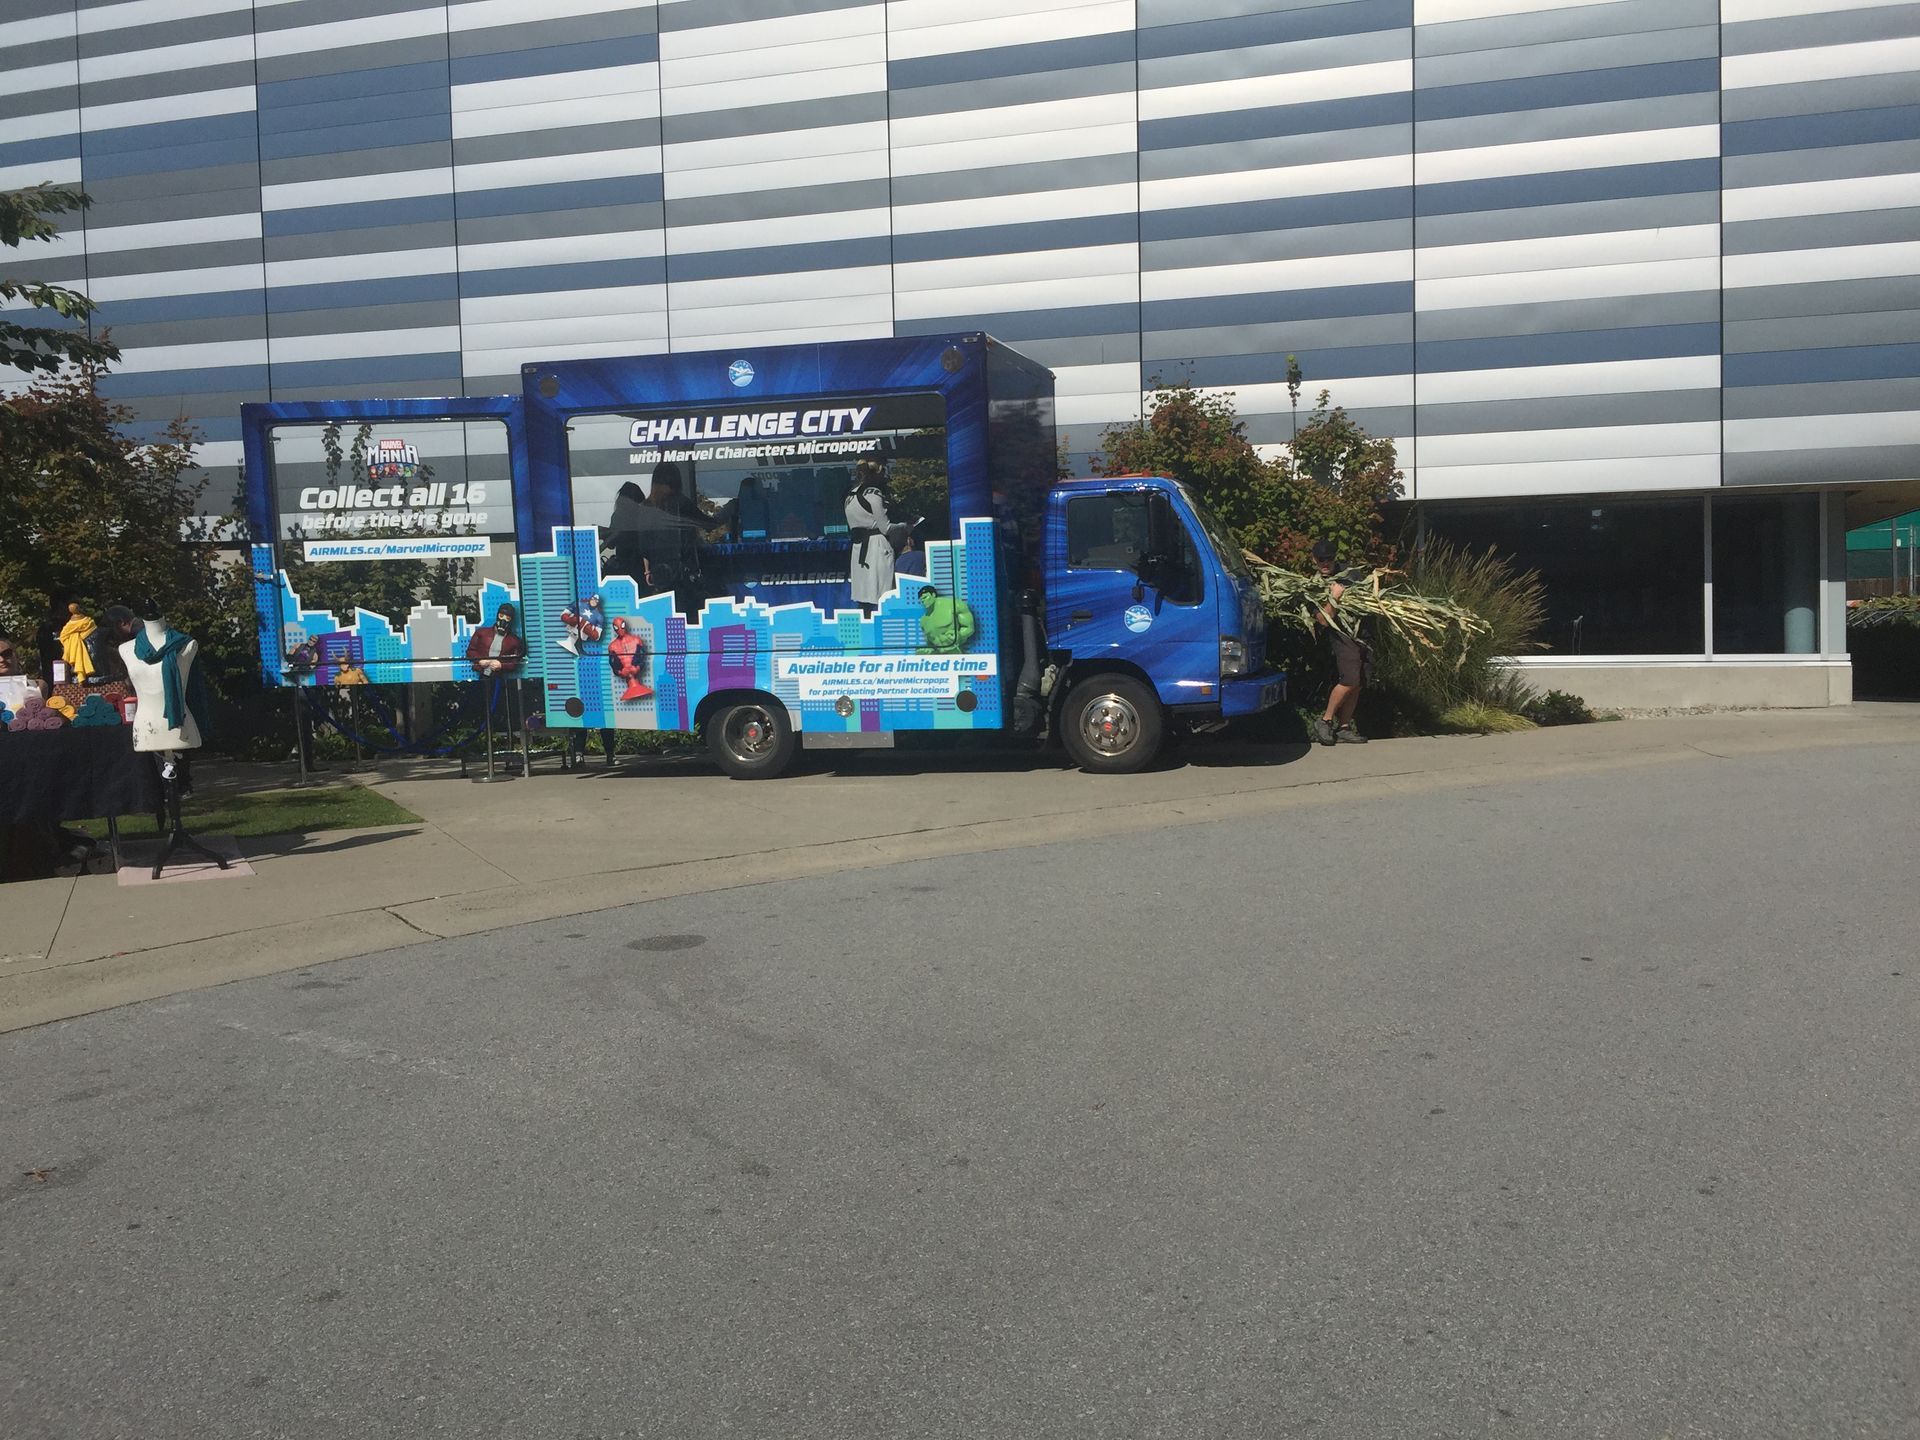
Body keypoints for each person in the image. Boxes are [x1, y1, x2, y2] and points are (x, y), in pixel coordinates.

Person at [1311, 538, 1372, 746]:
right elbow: (1322, 620)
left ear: (1335, 558)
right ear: (1314, 560)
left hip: (1361, 634)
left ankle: (1344, 727)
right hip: (1342, 635)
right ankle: (1325, 721)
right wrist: (1334, 598)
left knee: (1358, 683)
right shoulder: (1313, 586)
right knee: (1349, 679)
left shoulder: (1351, 573)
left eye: (1328, 559)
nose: (1325, 563)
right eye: (1321, 560)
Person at [465, 602, 526, 677]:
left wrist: (501, 665)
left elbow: (515, 662)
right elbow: (470, 651)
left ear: (511, 620)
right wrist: (480, 660)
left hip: (499, 676)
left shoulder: (515, 641)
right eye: (501, 616)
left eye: (507, 618)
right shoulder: (481, 633)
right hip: (480, 674)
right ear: (497, 616)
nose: (503, 621)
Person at [917, 585, 976, 655]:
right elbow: (930, 643)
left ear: (933, 595)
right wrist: (928, 650)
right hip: (939, 658)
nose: (924, 601)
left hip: (956, 653)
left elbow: (969, 628)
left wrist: (959, 635)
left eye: (925, 597)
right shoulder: (924, 620)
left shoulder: (954, 605)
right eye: (921, 600)